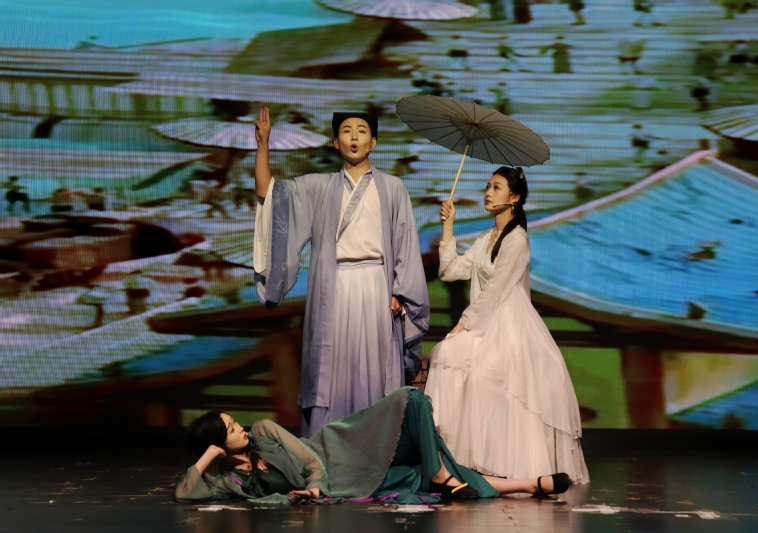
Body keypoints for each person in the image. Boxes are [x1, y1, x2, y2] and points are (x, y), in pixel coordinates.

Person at [253, 107, 429, 438]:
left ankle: (377, 446)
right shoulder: (318, 186)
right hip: (333, 288)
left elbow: (405, 242)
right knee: (331, 371)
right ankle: (326, 448)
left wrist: (401, 292)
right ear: (336, 142)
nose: (354, 137)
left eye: (362, 131)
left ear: (373, 142)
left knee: (374, 370)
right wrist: (263, 145)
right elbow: (269, 194)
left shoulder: (393, 188)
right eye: (346, 131)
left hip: (376, 285)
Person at [425, 167, 589, 484]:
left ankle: (502, 464)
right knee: (445, 355)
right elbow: (450, 271)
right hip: (485, 321)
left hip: (508, 324)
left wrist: (463, 324)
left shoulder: (517, 240)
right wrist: (448, 227)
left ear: (513, 198)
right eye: (488, 186)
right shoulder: (485, 238)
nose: (488, 192)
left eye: (496, 188)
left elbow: (496, 289)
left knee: (483, 378)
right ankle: (450, 459)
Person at [175, 387, 571, 503]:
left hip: (341, 452)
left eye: (234, 422)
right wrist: (209, 455)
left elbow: (310, 461)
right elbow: (185, 493)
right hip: (349, 485)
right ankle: (526, 485)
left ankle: (440, 473)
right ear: (218, 445)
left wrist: (315, 488)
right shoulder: (232, 481)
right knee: (420, 474)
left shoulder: (263, 431)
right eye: (230, 429)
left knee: (411, 399)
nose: (240, 428)